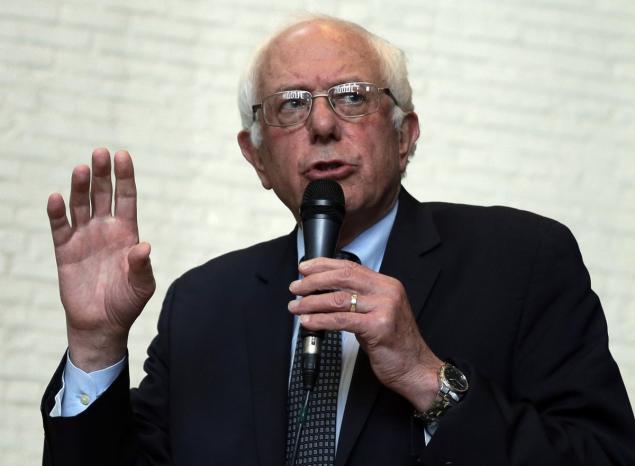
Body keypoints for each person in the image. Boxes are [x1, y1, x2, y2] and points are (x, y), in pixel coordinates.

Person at [41, 15, 635, 466]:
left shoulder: (522, 261)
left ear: (406, 136)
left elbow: (603, 454)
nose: (323, 125)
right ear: (257, 158)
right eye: (291, 105)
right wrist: (94, 346)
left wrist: (429, 378)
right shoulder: (202, 303)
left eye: (353, 96)